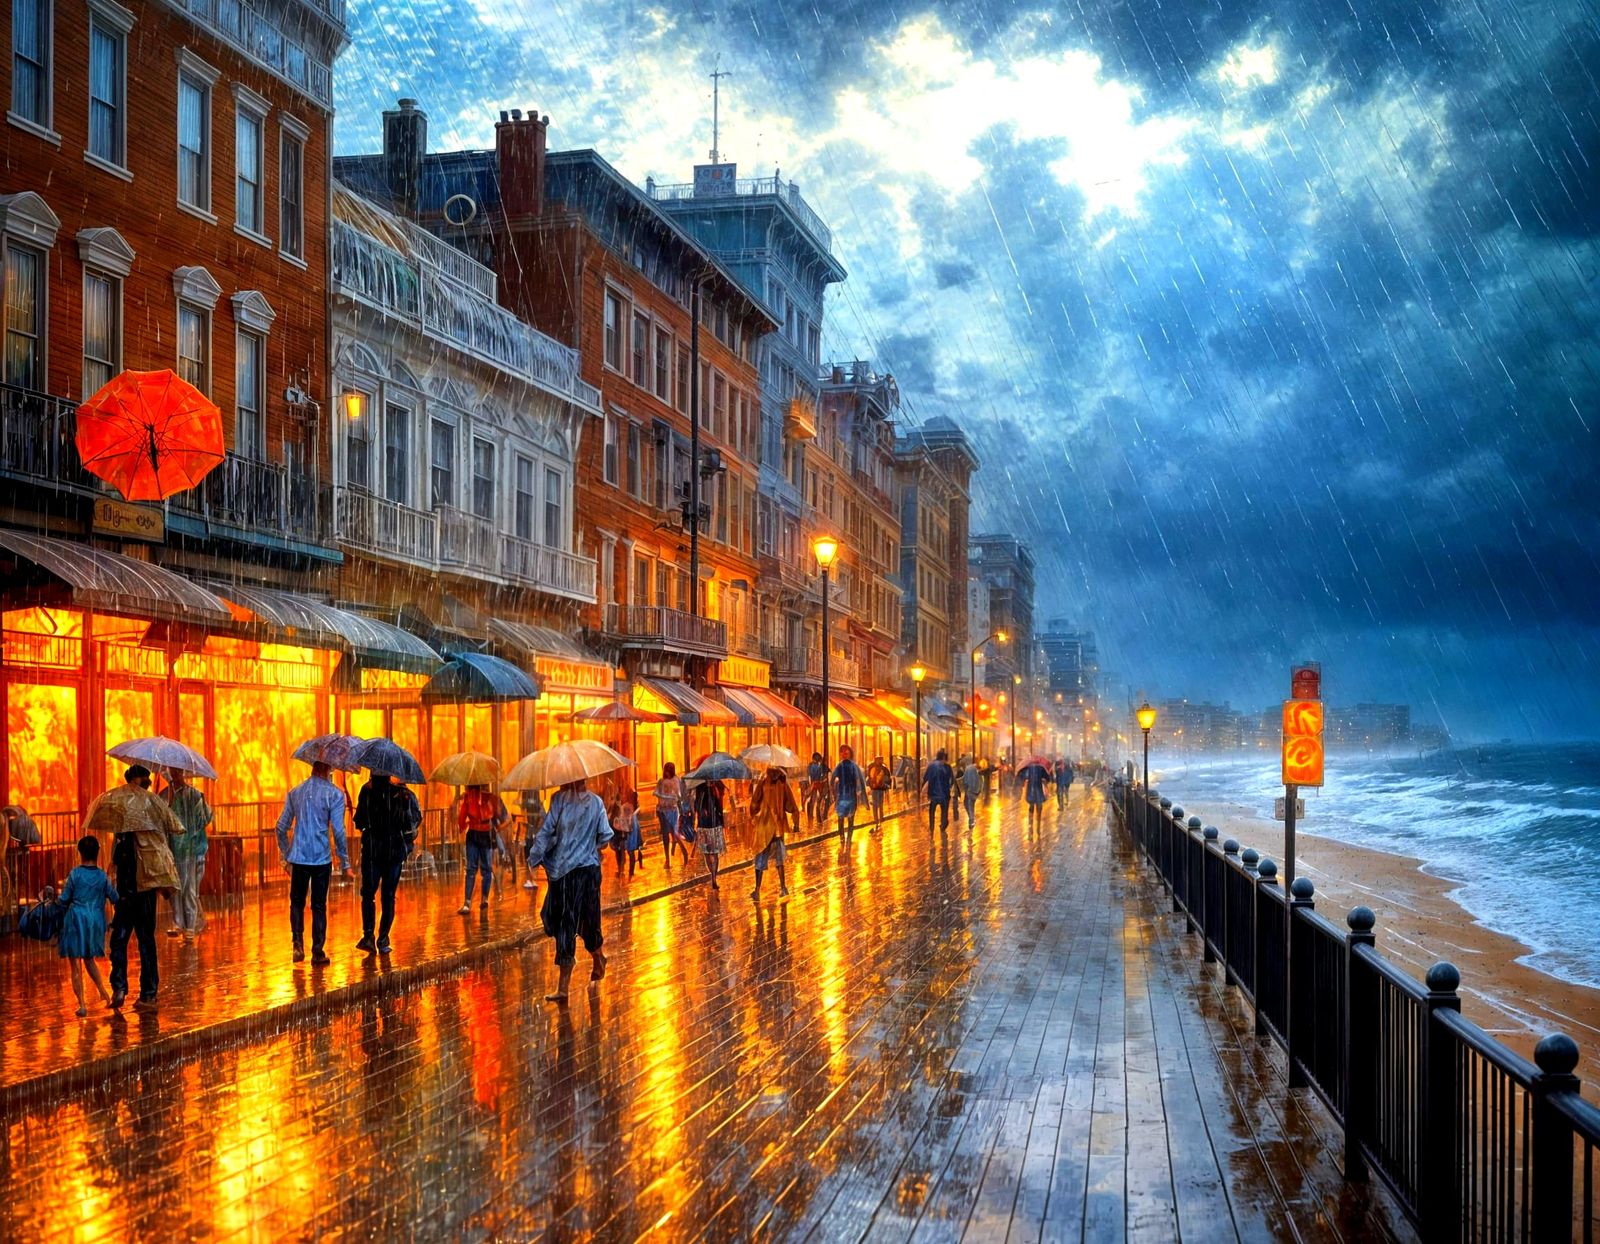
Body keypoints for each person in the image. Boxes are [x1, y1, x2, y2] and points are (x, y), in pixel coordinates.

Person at [89, 765, 182, 1011]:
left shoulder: (151, 810)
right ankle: (120, 987)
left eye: (146, 785)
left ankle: (148, 994)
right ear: (130, 782)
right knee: (120, 940)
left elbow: (168, 836)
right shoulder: (121, 815)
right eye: (142, 784)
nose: (145, 789)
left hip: (144, 889)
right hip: (126, 891)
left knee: (144, 941)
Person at [526, 778, 612, 1002]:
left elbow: (546, 831)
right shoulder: (596, 802)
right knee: (588, 920)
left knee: (566, 924)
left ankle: (563, 987)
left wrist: (534, 857)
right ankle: (598, 957)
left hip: (565, 874)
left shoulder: (559, 800)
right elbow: (605, 837)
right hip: (589, 871)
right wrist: (588, 844)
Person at [276, 761, 353, 965]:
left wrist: (286, 856)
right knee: (319, 905)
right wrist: (345, 862)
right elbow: (338, 831)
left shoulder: (295, 793)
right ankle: (317, 952)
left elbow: (280, 827)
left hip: (298, 858)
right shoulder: (335, 795)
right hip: (321, 859)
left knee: (297, 902)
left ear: (312, 766)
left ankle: (297, 943)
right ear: (328, 769)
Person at [353, 774, 419, 956]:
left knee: (368, 893)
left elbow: (359, 821)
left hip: (373, 851)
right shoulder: (402, 794)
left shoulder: (366, 791)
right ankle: (383, 939)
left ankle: (368, 936)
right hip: (394, 851)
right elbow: (413, 820)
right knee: (388, 895)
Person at [57, 835, 116, 1016]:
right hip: (95, 922)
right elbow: (114, 898)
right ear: (98, 853)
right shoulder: (102, 876)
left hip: (76, 921)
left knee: (75, 964)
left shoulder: (75, 874)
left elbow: (64, 900)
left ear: (80, 853)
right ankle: (105, 994)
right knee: (89, 959)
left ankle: (82, 1004)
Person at [162, 769, 212, 942]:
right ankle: (179, 923)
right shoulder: (164, 795)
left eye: (177, 772)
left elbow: (205, 818)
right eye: (172, 771)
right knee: (175, 888)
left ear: (182, 772)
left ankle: (189, 927)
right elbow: (160, 819)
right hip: (172, 850)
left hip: (191, 849)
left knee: (189, 889)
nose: (174, 774)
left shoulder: (195, 795)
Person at [456, 783, 508, 913]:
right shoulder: (492, 798)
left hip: (474, 834)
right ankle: (484, 899)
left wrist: (462, 826)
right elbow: (501, 818)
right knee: (486, 869)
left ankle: (467, 903)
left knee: (471, 869)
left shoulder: (469, 798)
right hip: (486, 835)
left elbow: (461, 819)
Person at [750, 766, 799, 901]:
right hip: (776, 826)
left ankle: (758, 889)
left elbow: (755, 801)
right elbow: (791, 805)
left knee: (762, 856)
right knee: (778, 859)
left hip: (765, 825)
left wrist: (753, 815)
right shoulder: (782, 782)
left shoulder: (763, 781)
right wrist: (796, 822)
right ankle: (782, 887)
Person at [690, 778, 726, 890]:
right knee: (706, 853)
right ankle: (712, 875)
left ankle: (714, 878)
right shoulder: (700, 789)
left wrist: (722, 822)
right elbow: (696, 806)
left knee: (714, 853)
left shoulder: (716, 787)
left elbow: (719, 806)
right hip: (704, 825)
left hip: (714, 825)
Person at [655, 763, 689, 870]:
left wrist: (681, 810)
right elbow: (658, 796)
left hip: (673, 810)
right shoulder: (661, 781)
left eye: (668, 770)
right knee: (665, 835)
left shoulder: (676, 781)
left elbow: (679, 797)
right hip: (662, 810)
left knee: (674, 833)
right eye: (666, 770)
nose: (666, 772)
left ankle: (684, 851)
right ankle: (667, 860)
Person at [832, 745, 866, 844]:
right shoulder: (839, 766)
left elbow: (858, 780)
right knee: (840, 818)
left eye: (846, 753)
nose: (844, 755)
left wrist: (859, 792)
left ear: (850, 754)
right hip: (841, 796)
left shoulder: (853, 766)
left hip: (851, 796)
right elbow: (833, 778)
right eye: (842, 753)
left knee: (851, 819)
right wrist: (834, 785)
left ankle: (849, 839)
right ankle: (842, 838)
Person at [922, 750, 954, 833]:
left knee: (932, 812)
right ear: (943, 757)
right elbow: (952, 780)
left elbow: (925, 779)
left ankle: (931, 828)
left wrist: (924, 791)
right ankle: (942, 828)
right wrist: (949, 787)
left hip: (933, 795)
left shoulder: (931, 766)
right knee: (944, 812)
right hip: (944, 795)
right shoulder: (947, 767)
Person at [520, 789, 545, 891]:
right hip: (535, 833)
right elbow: (543, 817)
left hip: (530, 833)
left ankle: (530, 879)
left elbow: (523, 818)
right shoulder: (539, 804)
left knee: (529, 856)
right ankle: (531, 878)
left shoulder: (526, 805)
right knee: (534, 856)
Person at [1018, 758, 1051, 831]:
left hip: (1031, 790)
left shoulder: (1028, 769)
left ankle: (1030, 824)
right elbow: (1047, 778)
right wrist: (1044, 780)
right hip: (1038, 790)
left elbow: (1023, 777)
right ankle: (1038, 826)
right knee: (1039, 806)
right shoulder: (1041, 768)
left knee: (1031, 806)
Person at [866, 756, 892, 831]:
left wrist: (885, 785)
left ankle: (879, 819)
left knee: (880, 804)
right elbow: (869, 777)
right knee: (876, 804)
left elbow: (887, 777)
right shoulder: (872, 768)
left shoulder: (884, 768)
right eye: (878, 760)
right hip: (875, 789)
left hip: (880, 789)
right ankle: (877, 820)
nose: (879, 761)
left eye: (880, 760)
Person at [805, 752, 828, 828]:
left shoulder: (810, 766)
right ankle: (818, 820)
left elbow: (808, 777)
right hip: (817, 785)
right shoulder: (819, 767)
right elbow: (821, 777)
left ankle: (810, 821)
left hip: (812, 785)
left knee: (812, 803)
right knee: (817, 803)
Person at [961, 755, 983, 824]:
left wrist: (964, 787)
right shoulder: (975, 768)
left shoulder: (968, 769)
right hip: (976, 790)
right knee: (971, 804)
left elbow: (965, 780)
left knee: (968, 804)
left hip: (970, 790)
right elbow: (980, 779)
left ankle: (971, 819)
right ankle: (971, 818)